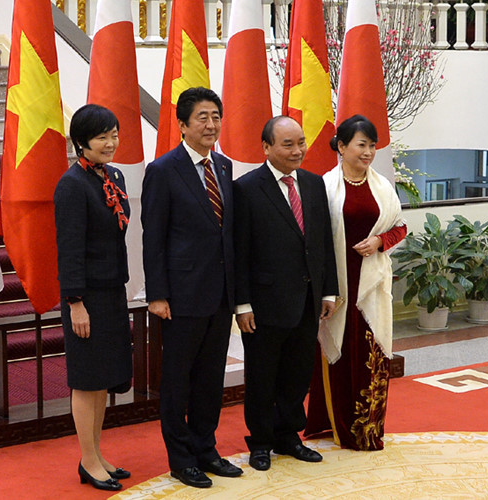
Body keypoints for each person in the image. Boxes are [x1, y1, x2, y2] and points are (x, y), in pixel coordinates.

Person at [141, 87, 241, 488]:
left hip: (220, 294)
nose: (211, 124)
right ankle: (181, 458)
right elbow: (154, 238)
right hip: (180, 297)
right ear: (182, 124)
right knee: (178, 382)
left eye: (216, 116)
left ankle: (206, 449)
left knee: (210, 378)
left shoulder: (225, 166)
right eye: (202, 117)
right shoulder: (163, 170)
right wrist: (157, 294)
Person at [233, 116, 338, 471]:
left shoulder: (312, 184)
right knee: (262, 376)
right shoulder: (246, 188)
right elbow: (239, 252)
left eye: (301, 143)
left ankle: (289, 436)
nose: (297, 151)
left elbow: (323, 242)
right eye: (288, 145)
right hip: (263, 304)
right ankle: (260, 441)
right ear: (266, 147)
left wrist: (329, 291)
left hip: (308, 300)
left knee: (296, 374)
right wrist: (242, 303)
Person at [304, 115, 407, 451]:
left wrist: (379, 242)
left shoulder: (383, 187)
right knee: (337, 348)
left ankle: (366, 428)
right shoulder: (325, 186)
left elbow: (400, 228)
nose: (368, 152)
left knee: (370, 351)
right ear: (341, 146)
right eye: (362, 145)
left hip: (371, 285)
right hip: (336, 282)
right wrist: (322, 289)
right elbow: (315, 238)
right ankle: (333, 423)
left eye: (373, 146)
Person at [54, 104, 133, 491]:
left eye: (114, 134)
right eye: (102, 136)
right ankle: (87, 460)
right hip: (86, 298)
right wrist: (75, 302)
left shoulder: (112, 175)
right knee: (86, 380)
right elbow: (69, 248)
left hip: (112, 290)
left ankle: (98, 453)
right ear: (81, 141)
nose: (110, 142)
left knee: (103, 378)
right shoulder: (72, 184)